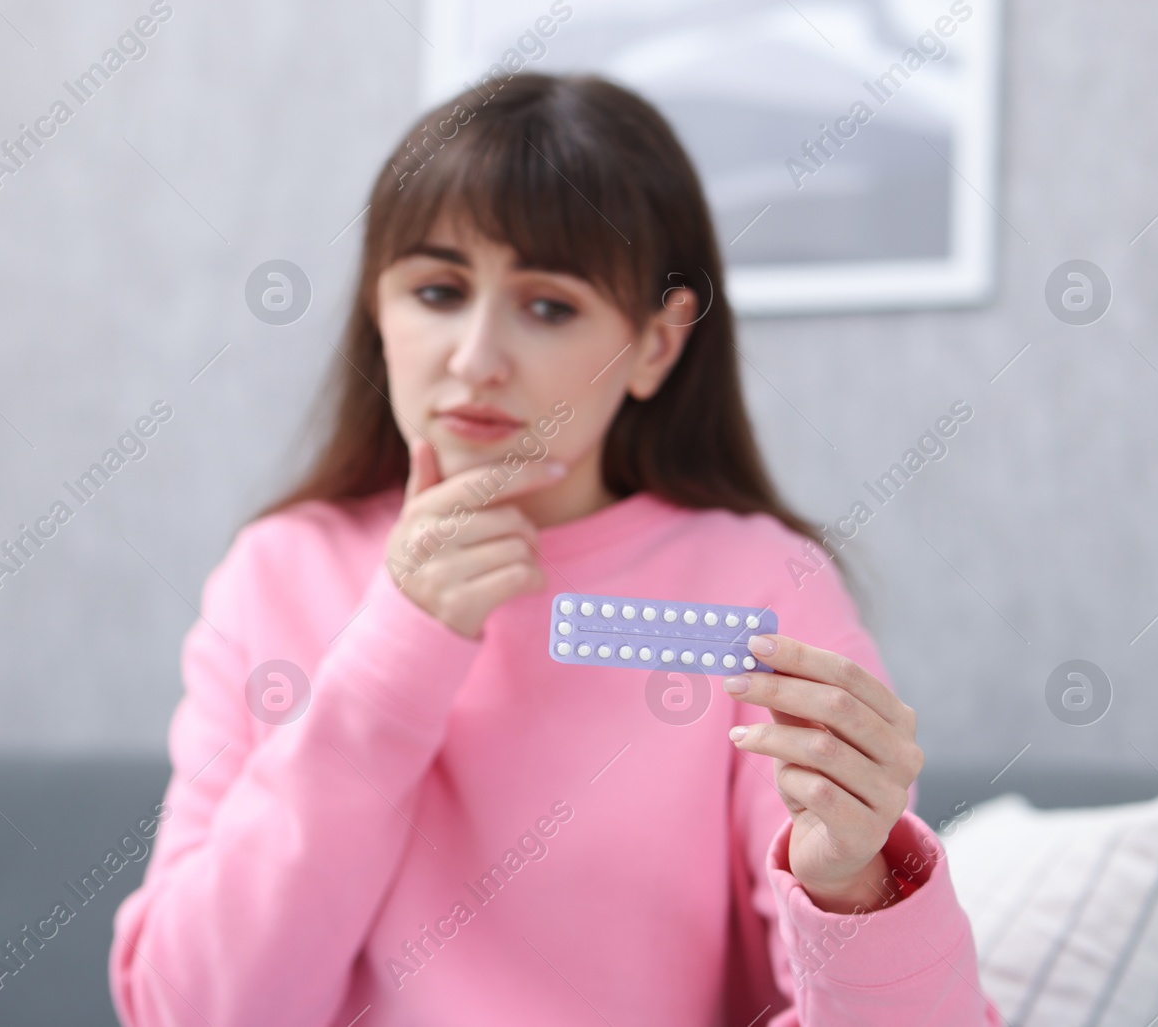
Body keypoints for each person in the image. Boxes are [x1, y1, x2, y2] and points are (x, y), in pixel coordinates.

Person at [108, 72, 1002, 1026]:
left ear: (659, 343)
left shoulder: (758, 583)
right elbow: (192, 1011)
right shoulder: (277, 573)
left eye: (549, 306)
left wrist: (854, 885)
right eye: (438, 290)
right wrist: (391, 656)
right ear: (378, 307)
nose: (475, 356)